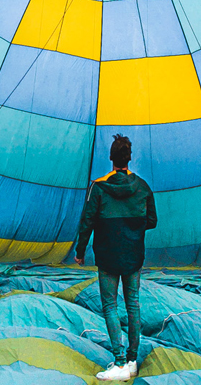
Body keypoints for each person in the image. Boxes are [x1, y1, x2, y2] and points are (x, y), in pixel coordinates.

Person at [73, 134, 157, 382]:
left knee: (110, 306)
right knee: (133, 305)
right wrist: (131, 227)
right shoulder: (143, 187)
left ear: (111, 158)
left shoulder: (98, 187)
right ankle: (132, 361)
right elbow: (152, 221)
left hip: (108, 256)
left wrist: (80, 252)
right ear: (129, 158)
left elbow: (87, 222)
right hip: (133, 256)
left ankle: (119, 362)